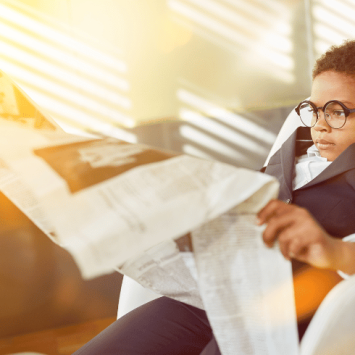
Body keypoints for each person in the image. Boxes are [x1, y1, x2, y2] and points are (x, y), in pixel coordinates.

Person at [73, 40, 355, 355]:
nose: (319, 126)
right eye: (314, 110)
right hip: (217, 290)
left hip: (288, 307)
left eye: (336, 113)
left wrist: (336, 251)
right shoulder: (299, 141)